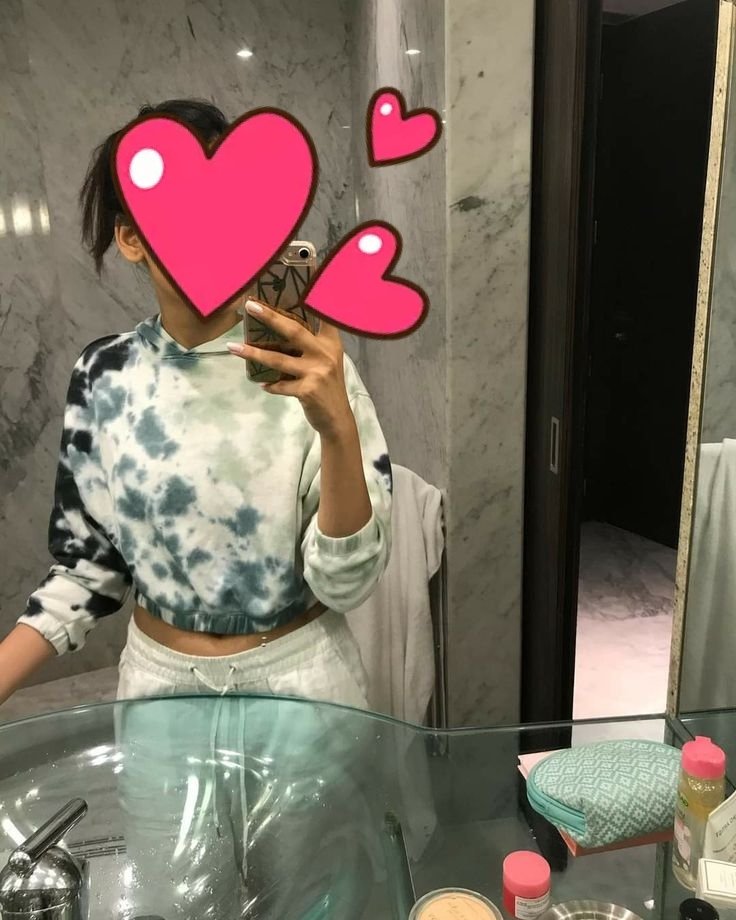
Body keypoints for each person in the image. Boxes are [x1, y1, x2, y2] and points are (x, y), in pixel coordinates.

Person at [0, 98, 393, 918]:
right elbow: (87, 570)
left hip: (301, 683)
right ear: (131, 237)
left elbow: (348, 581)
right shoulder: (104, 375)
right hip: (159, 691)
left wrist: (337, 426)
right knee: (178, 905)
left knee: (314, 906)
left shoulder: (311, 365)